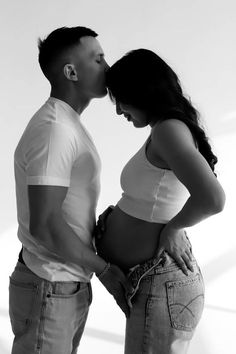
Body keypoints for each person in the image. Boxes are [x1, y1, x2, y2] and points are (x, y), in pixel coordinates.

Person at [9, 26, 132, 354]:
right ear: (71, 71)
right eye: (98, 58)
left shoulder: (68, 125)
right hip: (50, 283)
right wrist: (103, 269)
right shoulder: (55, 131)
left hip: (63, 283)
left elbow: (61, 213)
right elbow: (46, 225)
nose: (107, 67)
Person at [95, 49, 226, 354]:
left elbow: (213, 198)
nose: (118, 112)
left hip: (162, 284)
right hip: (153, 284)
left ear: (142, 91)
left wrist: (174, 227)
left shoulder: (168, 129)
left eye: (120, 100)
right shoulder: (165, 129)